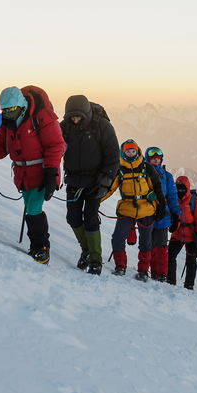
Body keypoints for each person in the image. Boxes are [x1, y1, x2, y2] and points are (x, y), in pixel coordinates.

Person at [0, 86, 64, 263]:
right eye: (5, 110)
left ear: (21, 106)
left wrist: (52, 173)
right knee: (30, 209)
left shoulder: (42, 118)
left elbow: (55, 145)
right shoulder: (7, 122)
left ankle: (42, 248)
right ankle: (36, 246)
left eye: (11, 109)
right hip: (22, 175)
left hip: (42, 173)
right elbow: (1, 146)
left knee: (33, 209)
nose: (8, 113)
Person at [60, 96, 119, 274]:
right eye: (72, 117)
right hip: (73, 180)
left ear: (86, 113)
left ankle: (95, 260)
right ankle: (86, 250)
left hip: (96, 182)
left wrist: (105, 182)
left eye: (78, 117)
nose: (75, 120)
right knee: (73, 218)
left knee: (91, 218)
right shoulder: (64, 127)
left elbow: (113, 157)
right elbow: (54, 148)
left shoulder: (102, 126)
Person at [101, 141, 165, 281]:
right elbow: (110, 189)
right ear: (123, 153)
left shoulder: (146, 167)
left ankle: (143, 271)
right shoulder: (119, 169)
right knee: (118, 238)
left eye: (133, 151)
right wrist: (95, 202)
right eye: (128, 152)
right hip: (127, 209)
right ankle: (120, 267)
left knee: (146, 242)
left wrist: (162, 206)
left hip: (147, 208)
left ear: (138, 151)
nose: (131, 154)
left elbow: (157, 187)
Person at [144, 147, 181, 282]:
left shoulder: (167, 176)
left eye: (158, 158)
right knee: (149, 245)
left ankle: (161, 274)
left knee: (161, 246)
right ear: (148, 159)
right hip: (147, 214)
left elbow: (172, 197)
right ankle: (153, 272)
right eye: (153, 158)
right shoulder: (143, 174)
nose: (155, 160)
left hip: (163, 217)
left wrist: (176, 214)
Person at [168, 176, 197, 289]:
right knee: (170, 256)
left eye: (182, 189)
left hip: (191, 235)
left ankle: (189, 285)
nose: (180, 191)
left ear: (187, 188)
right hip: (177, 234)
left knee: (191, 261)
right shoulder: (173, 200)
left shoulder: (195, 201)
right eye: (178, 189)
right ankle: (170, 280)